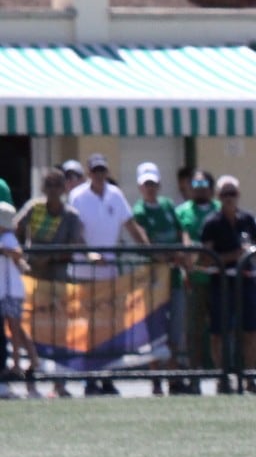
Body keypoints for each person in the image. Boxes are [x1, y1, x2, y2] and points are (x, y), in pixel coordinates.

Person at [69, 153, 149, 395]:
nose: (99, 175)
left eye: (103, 170)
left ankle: (107, 376)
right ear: (89, 172)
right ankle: (89, 378)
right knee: (89, 328)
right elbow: (74, 231)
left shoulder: (115, 195)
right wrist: (90, 254)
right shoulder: (78, 196)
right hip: (84, 271)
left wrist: (150, 250)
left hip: (111, 273)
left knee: (110, 328)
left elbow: (131, 225)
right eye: (95, 171)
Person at [15, 168, 84, 397]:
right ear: (43, 188)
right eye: (49, 185)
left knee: (60, 333)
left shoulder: (71, 216)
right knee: (32, 331)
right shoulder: (33, 209)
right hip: (33, 281)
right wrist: (22, 257)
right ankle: (31, 381)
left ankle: (59, 383)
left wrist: (51, 257)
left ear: (65, 189)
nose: (53, 190)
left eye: (58, 185)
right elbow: (14, 230)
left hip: (59, 281)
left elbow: (76, 246)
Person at [131, 162, 192, 395]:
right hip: (153, 281)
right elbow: (143, 241)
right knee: (155, 330)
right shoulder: (139, 212)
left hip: (174, 279)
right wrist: (165, 257)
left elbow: (181, 231)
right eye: (146, 184)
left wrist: (184, 252)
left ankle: (173, 377)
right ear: (140, 186)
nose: (150, 188)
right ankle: (156, 378)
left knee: (175, 329)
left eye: (153, 184)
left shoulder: (167, 206)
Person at [198, 176, 256, 393]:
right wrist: (233, 256)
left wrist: (248, 254)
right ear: (218, 197)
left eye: (232, 193)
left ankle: (249, 377)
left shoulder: (247, 220)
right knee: (219, 332)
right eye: (224, 194)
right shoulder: (211, 223)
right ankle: (222, 377)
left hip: (247, 283)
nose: (229, 198)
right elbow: (205, 259)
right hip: (221, 285)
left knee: (251, 331)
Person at [176, 171, 218, 380]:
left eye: (203, 183)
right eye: (195, 183)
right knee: (194, 328)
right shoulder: (182, 212)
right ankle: (195, 373)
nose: (199, 187)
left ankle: (220, 373)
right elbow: (180, 241)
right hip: (193, 279)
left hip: (218, 279)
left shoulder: (219, 209)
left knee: (218, 329)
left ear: (211, 187)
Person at [0, 201, 41, 394]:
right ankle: (34, 359)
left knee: (14, 327)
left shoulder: (7, 238)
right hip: (5, 289)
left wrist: (3, 250)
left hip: (11, 290)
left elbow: (17, 254)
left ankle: (16, 364)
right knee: (16, 327)